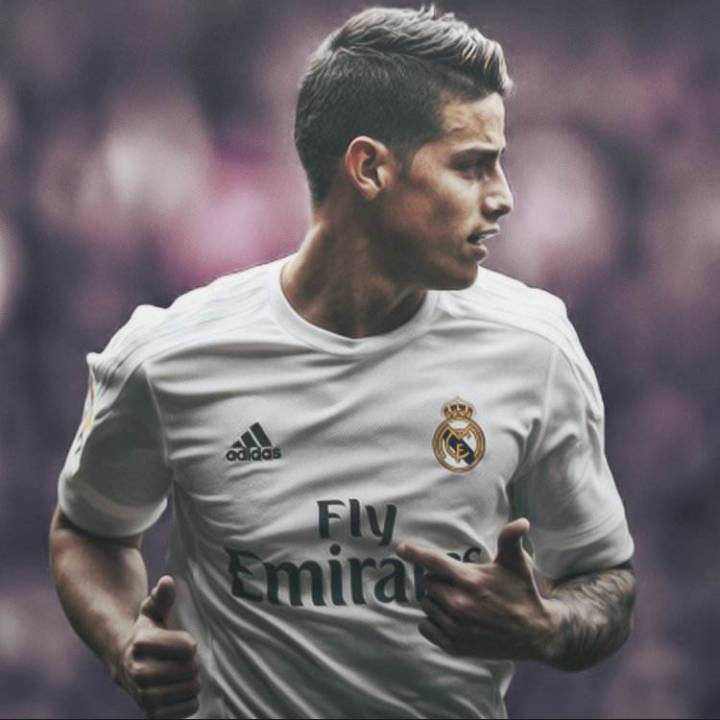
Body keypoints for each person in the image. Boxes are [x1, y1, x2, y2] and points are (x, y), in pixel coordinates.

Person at [49, 5, 636, 719]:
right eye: (472, 166)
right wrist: (122, 641)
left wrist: (546, 626)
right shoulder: (169, 357)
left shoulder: (535, 348)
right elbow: (89, 531)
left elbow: (606, 581)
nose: (505, 197)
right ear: (370, 168)